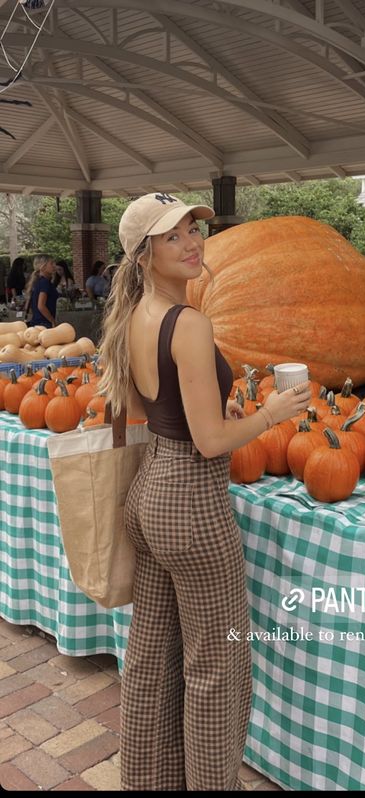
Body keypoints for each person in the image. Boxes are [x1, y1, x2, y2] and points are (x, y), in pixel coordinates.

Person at [98, 192, 312, 792]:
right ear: (145, 255)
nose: (192, 243)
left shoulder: (134, 316)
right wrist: (271, 413)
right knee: (217, 669)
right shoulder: (188, 323)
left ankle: (147, 782)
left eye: (193, 229)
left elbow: (147, 409)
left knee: (151, 660)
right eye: (173, 236)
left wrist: (206, 402)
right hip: (191, 502)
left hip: (149, 494)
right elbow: (213, 442)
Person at [24, 254, 58, 328]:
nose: (54, 265)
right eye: (51, 263)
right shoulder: (44, 282)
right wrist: (52, 321)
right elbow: (41, 305)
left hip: (37, 322)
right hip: (44, 323)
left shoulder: (38, 281)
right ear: (43, 267)